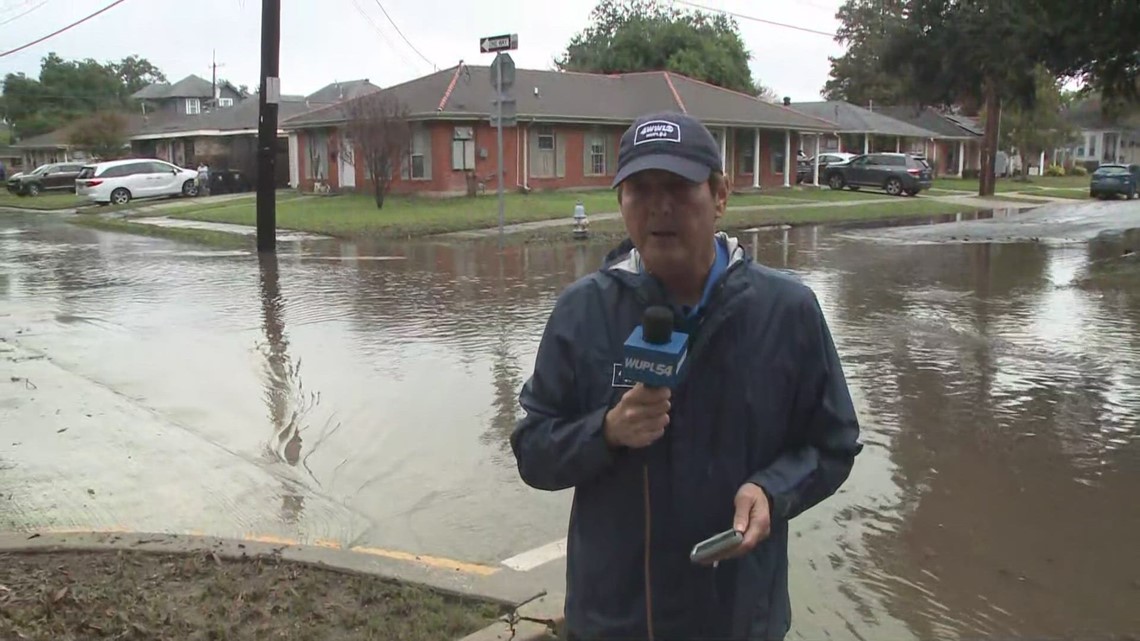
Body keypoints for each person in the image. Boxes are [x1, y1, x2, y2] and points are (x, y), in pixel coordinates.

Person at [510, 112, 863, 641]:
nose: (659, 207)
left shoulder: (787, 311)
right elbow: (533, 450)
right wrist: (605, 431)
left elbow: (833, 444)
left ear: (720, 195)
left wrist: (772, 491)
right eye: (640, 189)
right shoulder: (582, 312)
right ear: (621, 202)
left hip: (741, 620)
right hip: (615, 622)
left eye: (677, 187)